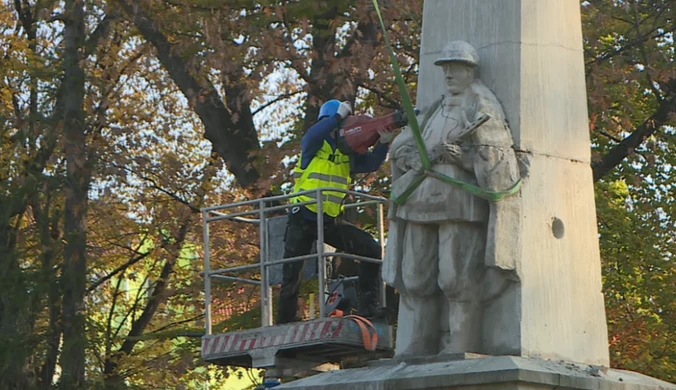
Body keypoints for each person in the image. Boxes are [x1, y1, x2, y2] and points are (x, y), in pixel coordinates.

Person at [382, 40, 522, 356]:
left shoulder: (482, 107)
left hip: (459, 204)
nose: (448, 73)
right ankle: (421, 341)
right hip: (418, 203)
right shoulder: (433, 109)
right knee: (416, 276)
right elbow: (402, 150)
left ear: (470, 71)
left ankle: (462, 342)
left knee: (456, 278)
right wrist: (416, 158)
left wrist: (460, 157)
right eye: (445, 67)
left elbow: (496, 160)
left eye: (455, 67)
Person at [277, 99, 395, 324]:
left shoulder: (346, 153)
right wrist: (337, 117)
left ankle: (367, 307)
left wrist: (383, 144)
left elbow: (370, 164)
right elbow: (311, 136)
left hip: (330, 220)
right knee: (292, 272)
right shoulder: (314, 146)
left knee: (371, 249)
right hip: (303, 215)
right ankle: (285, 321)